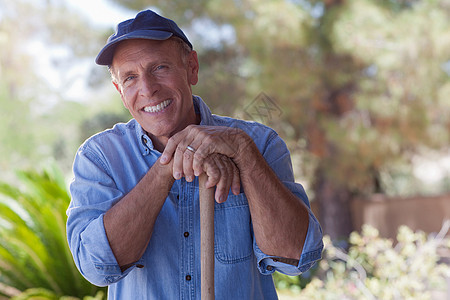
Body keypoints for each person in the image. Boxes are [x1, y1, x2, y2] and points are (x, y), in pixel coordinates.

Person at [66, 9, 323, 299]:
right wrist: (167, 167)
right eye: (130, 78)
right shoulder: (99, 157)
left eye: (160, 68)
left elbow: (298, 257)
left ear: (192, 68)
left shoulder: (259, 145)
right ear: (119, 91)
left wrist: (244, 155)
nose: (148, 89)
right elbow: (96, 268)